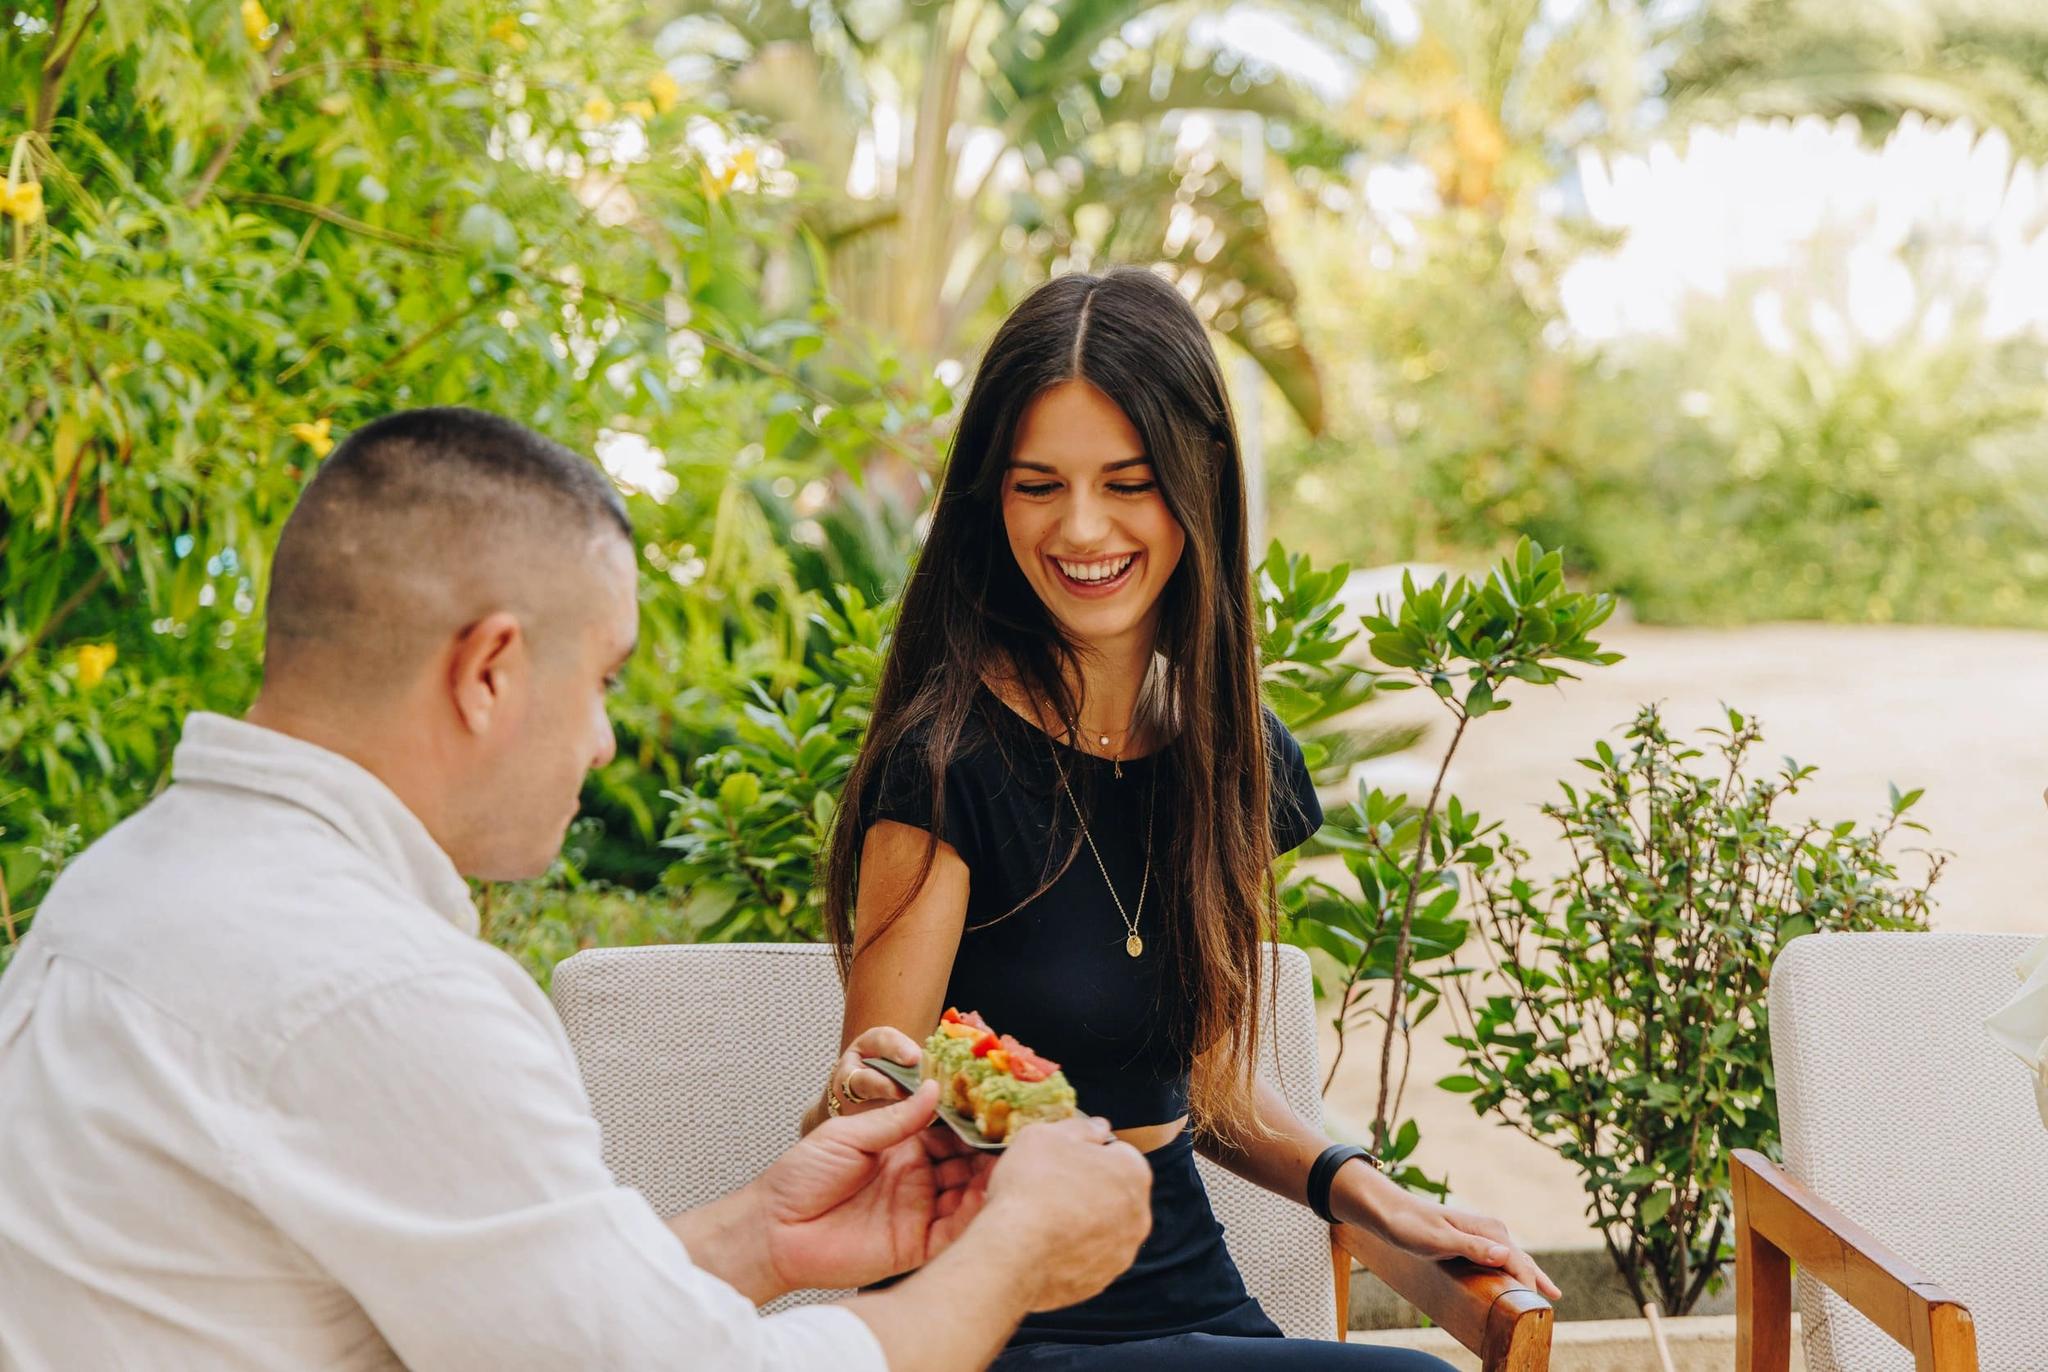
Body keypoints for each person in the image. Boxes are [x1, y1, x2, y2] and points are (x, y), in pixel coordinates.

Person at [0, 408, 1152, 1372]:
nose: (602, 742)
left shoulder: (124, 887)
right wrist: (1011, 1249)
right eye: (601, 679)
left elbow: (523, 1318)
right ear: (489, 670)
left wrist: (761, 1234)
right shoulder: (379, 987)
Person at [804, 270, 1563, 1370]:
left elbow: (1202, 1084)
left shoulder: (1234, 754)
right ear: (990, 500)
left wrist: (1358, 1187)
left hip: (1188, 1293)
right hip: (995, 1315)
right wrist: (855, 1093)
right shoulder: (941, 769)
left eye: (1127, 481)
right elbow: (872, 1103)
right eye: (1035, 485)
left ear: (1197, 481)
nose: (1080, 527)